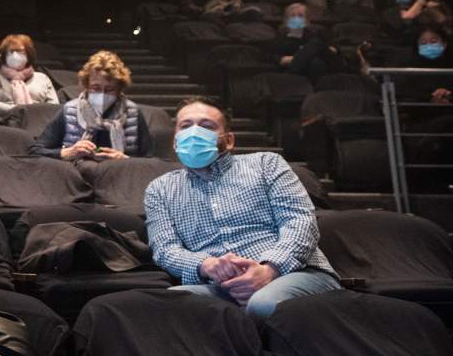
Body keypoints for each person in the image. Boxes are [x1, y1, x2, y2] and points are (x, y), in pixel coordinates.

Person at [144, 96, 340, 319]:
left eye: (207, 126)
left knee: (263, 304)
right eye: (186, 126)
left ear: (228, 140)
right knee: (165, 306)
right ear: (175, 141)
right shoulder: (159, 189)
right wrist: (206, 265)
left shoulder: (267, 164)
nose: (194, 133)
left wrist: (269, 269)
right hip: (219, 287)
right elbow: (165, 250)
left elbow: (299, 222)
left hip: (293, 273)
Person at [28, 50, 153, 160]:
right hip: (78, 179)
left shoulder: (133, 113)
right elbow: (36, 151)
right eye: (96, 88)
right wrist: (67, 152)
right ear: (86, 86)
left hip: (120, 179)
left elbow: (149, 159)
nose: (102, 95)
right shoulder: (69, 111)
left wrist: (124, 159)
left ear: (120, 89)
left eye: (110, 89)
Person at [0, 33, 59, 119]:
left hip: (38, 120)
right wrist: (20, 110)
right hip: (6, 120)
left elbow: (54, 105)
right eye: (11, 52)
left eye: (20, 52)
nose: (15, 56)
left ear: (29, 55)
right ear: (4, 56)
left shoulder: (42, 78)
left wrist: (34, 111)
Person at [265, 3, 347, 82]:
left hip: (329, 65)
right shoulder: (279, 39)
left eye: (300, 16)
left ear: (307, 20)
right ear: (286, 20)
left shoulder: (318, 33)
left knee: (316, 44)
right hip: (306, 70)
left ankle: (292, 72)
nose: (296, 18)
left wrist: (308, 53)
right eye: (293, 16)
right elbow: (280, 60)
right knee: (315, 62)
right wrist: (308, 55)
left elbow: (333, 50)